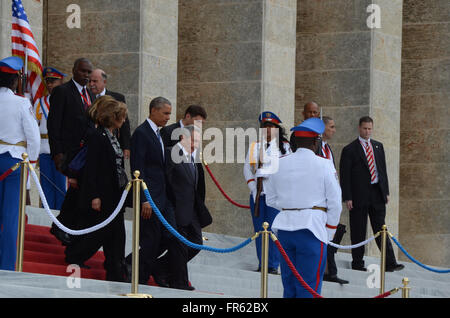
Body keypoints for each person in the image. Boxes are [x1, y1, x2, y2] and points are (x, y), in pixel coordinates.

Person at [263, 118, 342, 298]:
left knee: (289, 286)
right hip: (312, 229)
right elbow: (335, 201)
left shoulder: (280, 163)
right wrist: (329, 231)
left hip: (285, 229)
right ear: (316, 142)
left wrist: (289, 206)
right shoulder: (324, 164)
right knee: (308, 287)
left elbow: (271, 199)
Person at [63, 96, 128, 280]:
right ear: (113, 117)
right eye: (121, 117)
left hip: (115, 194)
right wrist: (94, 196)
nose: (124, 121)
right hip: (103, 194)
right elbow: (92, 169)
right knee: (99, 232)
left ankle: (116, 268)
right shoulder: (98, 137)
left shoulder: (113, 136)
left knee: (117, 234)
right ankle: (75, 255)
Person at [339, 116, 404, 272]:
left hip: (377, 194)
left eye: (370, 129)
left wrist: (385, 191)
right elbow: (345, 175)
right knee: (358, 229)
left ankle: (390, 262)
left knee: (381, 228)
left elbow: (382, 170)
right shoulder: (349, 149)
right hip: (358, 196)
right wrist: (347, 197)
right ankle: (357, 262)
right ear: (359, 128)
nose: (367, 132)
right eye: (365, 129)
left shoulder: (378, 146)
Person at [126, 96, 178, 285]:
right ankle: (139, 277)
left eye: (169, 114)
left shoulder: (159, 134)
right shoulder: (142, 133)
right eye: (165, 113)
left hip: (163, 197)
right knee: (150, 239)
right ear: (153, 111)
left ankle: (133, 262)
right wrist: (143, 200)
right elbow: (138, 169)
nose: (168, 118)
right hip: (149, 198)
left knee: (170, 235)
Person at [47, 58, 95, 246]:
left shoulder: (90, 94)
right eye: (83, 71)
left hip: (85, 152)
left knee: (78, 190)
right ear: (74, 70)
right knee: (76, 189)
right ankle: (62, 225)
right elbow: (54, 124)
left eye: (89, 72)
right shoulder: (62, 91)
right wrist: (57, 152)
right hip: (68, 152)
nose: (86, 75)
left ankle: (64, 225)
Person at [0, 56, 40, 270]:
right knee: (10, 216)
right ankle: (6, 265)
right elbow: (33, 137)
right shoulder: (21, 102)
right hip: (14, 162)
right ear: (15, 80)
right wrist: (31, 162)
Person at [164, 125, 211, 290]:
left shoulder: (193, 157)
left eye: (198, 142)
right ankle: (179, 281)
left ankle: (161, 268)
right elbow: (167, 182)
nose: (196, 145)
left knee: (196, 243)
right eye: (193, 140)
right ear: (183, 137)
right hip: (176, 208)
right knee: (180, 246)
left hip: (191, 210)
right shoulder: (170, 153)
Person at [243, 111, 291, 275]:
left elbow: (286, 169)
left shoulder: (285, 147)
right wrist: (254, 188)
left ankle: (273, 264)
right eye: (265, 127)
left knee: (273, 230)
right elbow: (248, 169)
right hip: (258, 194)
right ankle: (262, 262)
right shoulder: (255, 146)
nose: (268, 130)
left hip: (275, 195)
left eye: (271, 127)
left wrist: (269, 172)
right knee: (259, 230)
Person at [319, 116, 349, 285]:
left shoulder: (327, 148)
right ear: (322, 128)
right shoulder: (316, 147)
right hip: (321, 199)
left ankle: (330, 270)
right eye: (331, 126)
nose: (334, 130)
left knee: (332, 235)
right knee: (326, 236)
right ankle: (329, 271)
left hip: (331, 196)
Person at [34, 67, 67, 210]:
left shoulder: (66, 100)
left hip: (60, 148)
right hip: (44, 147)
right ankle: (47, 214)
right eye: (48, 81)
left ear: (61, 81)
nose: (50, 84)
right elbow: (34, 125)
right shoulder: (39, 102)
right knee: (46, 184)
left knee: (61, 185)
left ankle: (61, 216)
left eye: (54, 81)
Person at [89, 69, 131, 159]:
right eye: (90, 81)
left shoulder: (117, 97)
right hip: (94, 142)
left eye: (95, 81)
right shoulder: (87, 97)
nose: (91, 84)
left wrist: (126, 146)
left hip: (113, 142)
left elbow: (125, 123)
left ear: (104, 82)